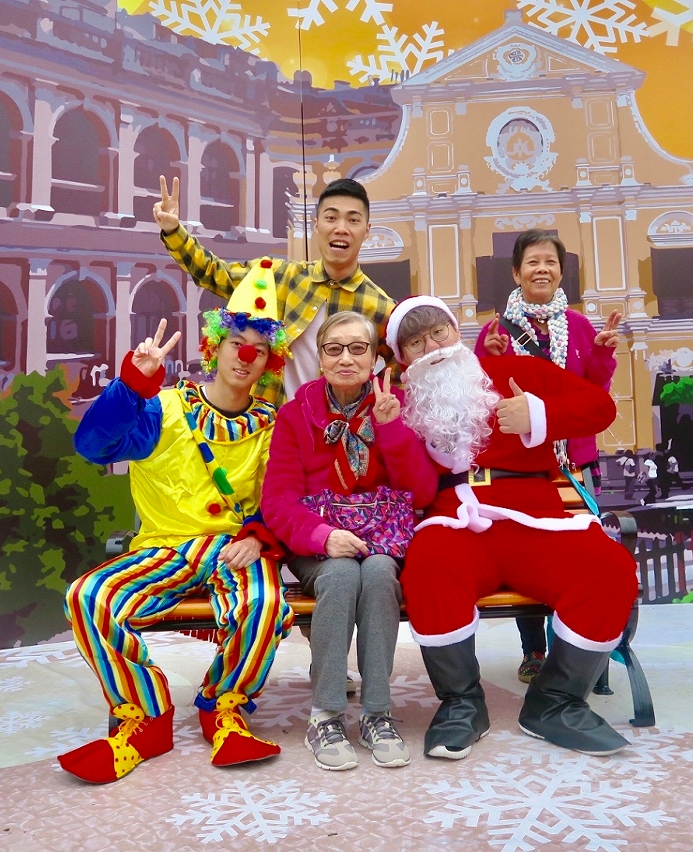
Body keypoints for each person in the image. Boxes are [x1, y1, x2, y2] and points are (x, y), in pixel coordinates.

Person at [58, 262, 295, 784]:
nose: (245, 356)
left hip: (233, 549)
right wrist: (132, 385)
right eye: (236, 343)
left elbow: (282, 497)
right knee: (87, 596)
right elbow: (93, 446)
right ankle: (145, 717)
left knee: (263, 604)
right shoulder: (162, 408)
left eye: (259, 349)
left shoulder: (272, 426)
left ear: (270, 362)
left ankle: (224, 707)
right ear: (214, 347)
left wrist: (259, 536)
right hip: (161, 548)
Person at [388, 296, 638, 760]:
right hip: (456, 519)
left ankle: (556, 701)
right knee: (428, 569)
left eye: (438, 333)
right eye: (416, 343)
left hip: (534, 517)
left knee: (610, 569)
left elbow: (599, 407)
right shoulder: (400, 404)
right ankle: (461, 703)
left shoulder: (518, 371)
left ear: (455, 332)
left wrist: (538, 415)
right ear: (403, 357)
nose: (433, 348)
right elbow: (411, 486)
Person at [261, 311, 438, 771]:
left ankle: (378, 712)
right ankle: (326, 714)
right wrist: (322, 536)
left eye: (358, 348)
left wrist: (391, 429)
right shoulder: (295, 414)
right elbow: (278, 500)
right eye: (334, 348)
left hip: (381, 537)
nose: (346, 358)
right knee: (340, 576)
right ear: (320, 359)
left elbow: (422, 493)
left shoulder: (395, 405)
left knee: (378, 574)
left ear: (374, 358)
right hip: (316, 541)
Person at [475, 229, 621, 685]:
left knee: (577, 554)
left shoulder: (579, 327)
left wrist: (602, 355)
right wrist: (488, 355)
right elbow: (481, 396)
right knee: (530, 547)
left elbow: (594, 395)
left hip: (572, 459)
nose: (542, 269)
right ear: (516, 272)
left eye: (550, 262)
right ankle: (534, 650)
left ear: (561, 272)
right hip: (520, 465)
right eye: (533, 262)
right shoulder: (497, 329)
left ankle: (574, 650)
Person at [154, 174, 397, 403]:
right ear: (316, 225)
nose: (341, 228)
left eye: (353, 220)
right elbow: (214, 273)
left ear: (367, 230)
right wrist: (174, 231)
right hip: (270, 423)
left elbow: (400, 370)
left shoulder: (381, 307)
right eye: (331, 218)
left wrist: (367, 405)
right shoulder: (278, 276)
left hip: (336, 430)